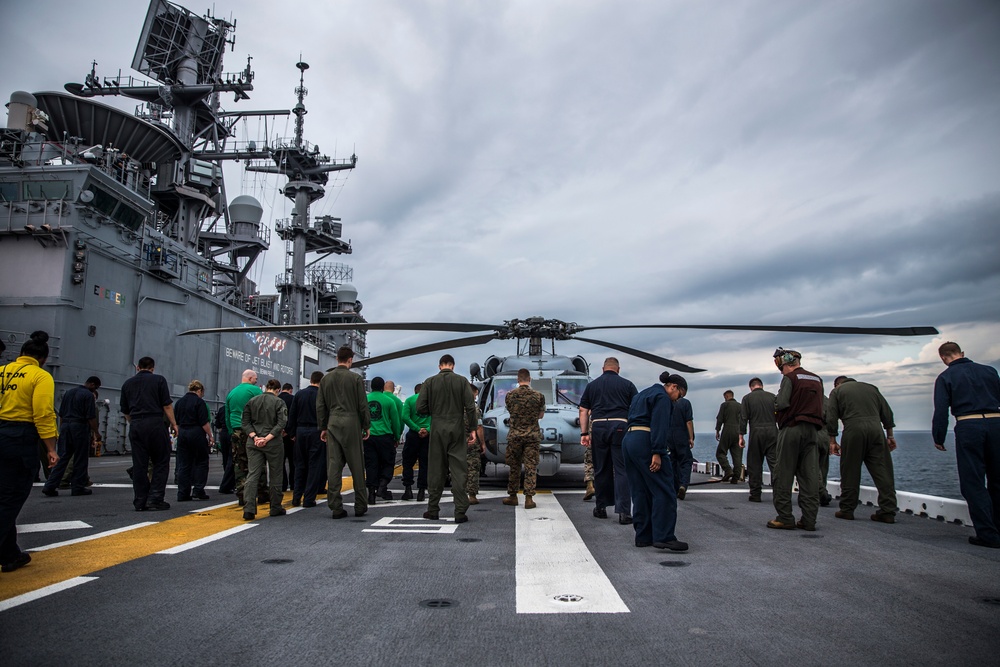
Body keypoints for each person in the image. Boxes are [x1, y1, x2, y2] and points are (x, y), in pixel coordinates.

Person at [0, 331, 59, 572]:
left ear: (20, 354)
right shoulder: (40, 376)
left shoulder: (2, 372)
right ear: (43, 358)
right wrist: (51, 449)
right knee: (10, 499)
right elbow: (43, 414)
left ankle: (10, 554)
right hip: (19, 438)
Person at [932, 341, 1000, 548]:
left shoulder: (945, 377)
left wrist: (938, 437)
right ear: (962, 353)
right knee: (997, 479)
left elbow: (941, 410)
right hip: (997, 422)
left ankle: (988, 534)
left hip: (969, 425)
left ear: (943, 358)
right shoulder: (990, 371)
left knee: (973, 482)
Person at [622, 372, 689, 551]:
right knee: (665, 489)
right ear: (673, 387)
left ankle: (643, 536)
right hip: (645, 439)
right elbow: (659, 424)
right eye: (679, 396)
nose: (676, 400)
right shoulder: (662, 397)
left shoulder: (641, 394)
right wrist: (658, 452)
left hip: (629, 441)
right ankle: (664, 536)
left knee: (640, 490)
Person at [826, 375, 897, 523]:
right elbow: (887, 413)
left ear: (837, 384)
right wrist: (890, 436)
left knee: (850, 470)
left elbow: (831, 416)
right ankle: (888, 510)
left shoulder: (837, 392)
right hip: (876, 429)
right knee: (883, 470)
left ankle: (847, 509)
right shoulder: (872, 388)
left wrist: (832, 440)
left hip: (853, 430)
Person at [416, 354, 477, 523]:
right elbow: (470, 407)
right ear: (453, 366)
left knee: (435, 470)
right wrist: (472, 429)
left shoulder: (429, 382)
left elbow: (420, 407)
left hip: (437, 429)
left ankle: (433, 510)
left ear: (440, 366)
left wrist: (434, 412)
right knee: (458, 470)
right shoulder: (462, 381)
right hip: (457, 429)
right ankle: (460, 512)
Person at [768, 348, 823, 531]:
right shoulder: (816, 379)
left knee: (782, 474)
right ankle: (809, 520)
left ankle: (785, 518)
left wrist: (774, 404)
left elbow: (782, 403)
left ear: (785, 362)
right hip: (813, 432)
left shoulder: (789, 379)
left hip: (792, 429)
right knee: (809, 477)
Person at [579, 358, 638, 523]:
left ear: (603, 368)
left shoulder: (592, 385)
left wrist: (584, 433)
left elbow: (583, 410)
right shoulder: (628, 385)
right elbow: (637, 407)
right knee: (621, 470)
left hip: (598, 427)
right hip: (620, 426)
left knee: (601, 469)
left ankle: (601, 508)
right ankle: (624, 512)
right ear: (618, 369)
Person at [318, 346, 370, 519]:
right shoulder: (355, 378)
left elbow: (320, 406)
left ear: (337, 359)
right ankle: (361, 505)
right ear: (350, 360)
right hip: (351, 422)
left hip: (333, 422)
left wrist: (323, 427)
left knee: (334, 466)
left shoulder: (326, 379)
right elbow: (362, 405)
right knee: (357, 465)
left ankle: (335, 506)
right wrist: (366, 425)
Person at [120, 357, 177, 512]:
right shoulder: (159, 380)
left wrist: (135, 423)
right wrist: (174, 424)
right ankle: (155, 498)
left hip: (137, 424)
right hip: (155, 423)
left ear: (138, 367)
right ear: (152, 368)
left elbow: (125, 411)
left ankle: (140, 500)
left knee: (140, 465)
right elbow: (166, 405)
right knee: (161, 461)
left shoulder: (127, 384)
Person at [42, 376, 101, 497]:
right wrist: (96, 432)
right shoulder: (88, 395)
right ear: (93, 385)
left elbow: (61, 414)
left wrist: (62, 430)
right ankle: (78, 487)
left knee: (63, 456)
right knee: (80, 458)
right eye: (96, 387)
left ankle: (50, 485)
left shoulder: (68, 393)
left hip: (66, 426)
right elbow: (90, 417)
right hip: (79, 427)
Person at [241, 379, 288, 520]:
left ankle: (248, 509)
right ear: (278, 390)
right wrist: (267, 438)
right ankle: (275, 507)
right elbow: (282, 423)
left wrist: (255, 437)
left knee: (253, 474)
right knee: (275, 474)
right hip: (273, 442)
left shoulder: (252, 401)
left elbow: (245, 422)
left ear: (266, 387)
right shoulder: (279, 402)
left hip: (253, 442)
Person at [502, 369, 546, 510]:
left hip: (515, 435)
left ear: (518, 379)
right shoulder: (539, 396)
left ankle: (513, 496)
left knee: (514, 466)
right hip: (532, 436)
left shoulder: (510, 396)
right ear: (530, 379)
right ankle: (529, 499)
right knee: (530, 466)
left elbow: (510, 411)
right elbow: (540, 416)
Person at [225, 369, 263, 506]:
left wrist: (231, 431)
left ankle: (241, 494)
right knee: (258, 461)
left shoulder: (232, 393)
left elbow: (227, 415)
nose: (256, 381)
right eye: (256, 379)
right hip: (251, 431)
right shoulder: (255, 391)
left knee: (239, 464)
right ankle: (261, 493)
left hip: (235, 430)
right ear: (251, 378)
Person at [173, 380, 214, 501]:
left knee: (184, 464)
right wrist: (210, 436)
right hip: (196, 432)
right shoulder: (199, 402)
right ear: (199, 390)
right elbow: (204, 422)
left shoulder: (179, 402)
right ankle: (198, 490)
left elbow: (176, 420)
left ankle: (183, 493)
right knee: (201, 461)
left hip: (183, 432)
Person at [288, 371, 324, 507]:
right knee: (314, 466)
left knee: (300, 466)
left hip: (300, 431)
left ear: (311, 380)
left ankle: (296, 497)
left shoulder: (299, 394)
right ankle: (309, 499)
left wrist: (292, 433)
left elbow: (292, 415)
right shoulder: (322, 395)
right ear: (322, 382)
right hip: (316, 431)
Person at [740, 378, 778, 503]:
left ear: (751, 387)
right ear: (761, 385)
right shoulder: (773, 397)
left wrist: (741, 436)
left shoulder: (747, 398)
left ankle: (755, 494)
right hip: (773, 431)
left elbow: (744, 418)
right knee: (775, 464)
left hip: (756, 432)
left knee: (754, 464)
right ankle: (779, 493)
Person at [365, 376, 402, 504]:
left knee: (371, 465)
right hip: (385, 437)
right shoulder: (389, 401)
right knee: (388, 463)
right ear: (382, 388)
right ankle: (382, 486)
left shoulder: (364, 400)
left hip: (368, 437)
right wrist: (397, 437)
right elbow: (396, 422)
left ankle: (371, 493)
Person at [401, 382, 430, 501]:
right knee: (425, 464)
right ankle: (421, 491)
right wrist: (427, 429)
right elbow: (437, 418)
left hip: (413, 435)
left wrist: (417, 429)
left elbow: (405, 417)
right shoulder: (431, 401)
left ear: (415, 391)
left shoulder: (409, 400)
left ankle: (408, 489)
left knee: (408, 463)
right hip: (427, 436)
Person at [668, 381, 695, 500]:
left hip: (668, 436)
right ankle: (683, 485)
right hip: (681, 435)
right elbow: (688, 421)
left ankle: (674, 488)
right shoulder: (685, 403)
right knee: (686, 461)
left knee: (672, 462)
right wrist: (691, 437)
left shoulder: (668, 403)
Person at [715, 390, 743, 483]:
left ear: (726, 396)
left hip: (728, 429)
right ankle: (736, 477)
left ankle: (728, 470)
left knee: (720, 452)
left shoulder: (724, 405)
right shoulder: (740, 406)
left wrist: (717, 430)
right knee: (737, 456)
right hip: (738, 431)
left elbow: (720, 419)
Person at [466, 385, 486, 505]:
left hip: (456, 442)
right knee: (473, 468)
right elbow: (478, 427)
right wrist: (483, 443)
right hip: (471, 442)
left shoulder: (455, 407)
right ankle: (472, 495)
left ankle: (458, 493)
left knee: (457, 468)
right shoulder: (474, 408)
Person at [214, 404, 235, 494]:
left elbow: (217, 424)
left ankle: (228, 481)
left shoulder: (222, 409)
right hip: (232, 432)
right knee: (232, 458)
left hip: (223, 433)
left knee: (226, 458)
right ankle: (227, 484)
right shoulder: (235, 408)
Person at [278, 383, 295, 492]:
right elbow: (294, 416)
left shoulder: (276, 399)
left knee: (280, 462)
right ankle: (293, 484)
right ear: (291, 390)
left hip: (278, 435)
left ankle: (283, 484)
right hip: (291, 436)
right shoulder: (293, 399)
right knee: (293, 462)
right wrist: (290, 432)